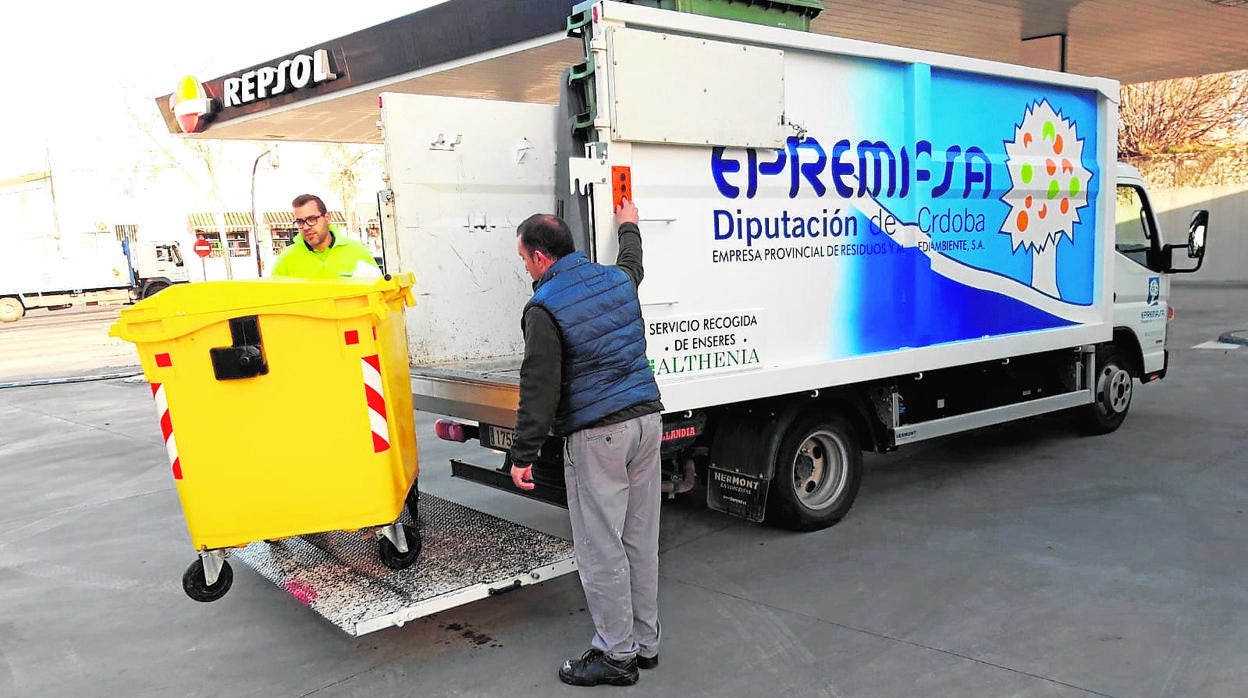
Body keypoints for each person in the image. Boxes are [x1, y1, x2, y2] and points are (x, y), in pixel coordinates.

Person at [510, 199, 664, 687]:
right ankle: (646, 641)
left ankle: (617, 655)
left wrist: (524, 454)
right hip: (646, 422)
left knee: (601, 549)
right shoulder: (617, 280)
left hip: (599, 436)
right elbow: (633, 263)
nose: (526, 269)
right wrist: (629, 226)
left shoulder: (544, 307)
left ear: (539, 258)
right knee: (639, 540)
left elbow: (540, 386)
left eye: (523, 260)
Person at [271, 194, 379, 278]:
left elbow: (380, 293)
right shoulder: (286, 259)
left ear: (327, 218)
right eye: (300, 222)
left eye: (312, 219)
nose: (306, 227)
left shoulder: (357, 252)